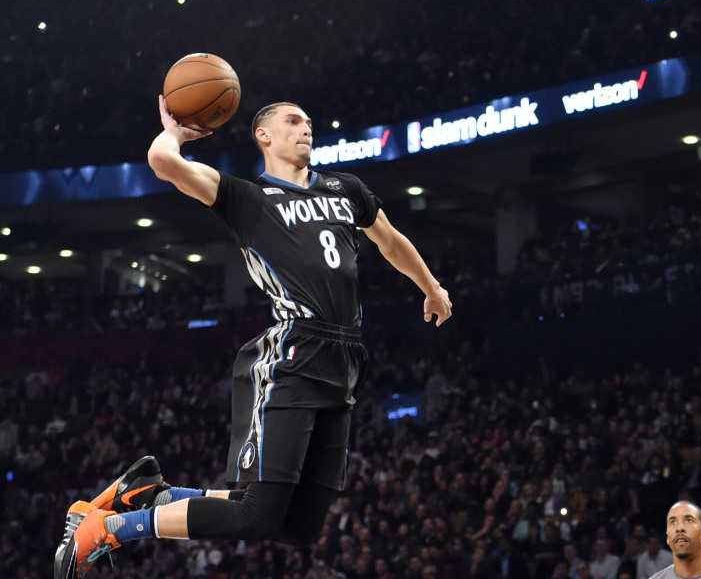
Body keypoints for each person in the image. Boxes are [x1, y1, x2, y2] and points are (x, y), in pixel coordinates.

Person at [55, 96, 453, 578]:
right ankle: (107, 529)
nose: (306, 128)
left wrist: (430, 287)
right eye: (292, 121)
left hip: (346, 358)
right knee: (256, 513)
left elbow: (389, 240)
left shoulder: (346, 189)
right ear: (263, 135)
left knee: (299, 525)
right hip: (293, 353)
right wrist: (177, 133)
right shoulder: (247, 198)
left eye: (308, 121)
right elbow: (163, 162)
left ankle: (148, 494)